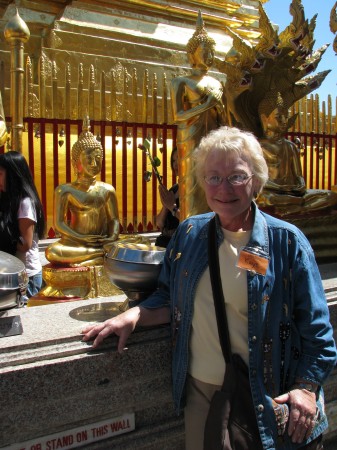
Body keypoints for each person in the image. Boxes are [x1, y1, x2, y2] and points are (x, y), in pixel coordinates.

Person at [82, 126, 337, 450]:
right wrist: (133, 316)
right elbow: (171, 296)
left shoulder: (286, 242)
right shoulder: (190, 234)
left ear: (257, 181)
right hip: (203, 396)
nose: (223, 187)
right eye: (213, 177)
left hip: (270, 400)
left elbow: (319, 332)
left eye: (237, 176)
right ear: (202, 182)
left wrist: (307, 388)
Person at [170, 10, 225, 219]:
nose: (209, 56)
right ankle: (191, 234)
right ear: (192, 54)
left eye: (212, 51)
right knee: (192, 190)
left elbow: (222, 121)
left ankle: (214, 233)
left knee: (214, 189)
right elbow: (179, 116)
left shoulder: (217, 83)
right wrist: (207, 104)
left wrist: (217, 107)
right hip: (191, 142)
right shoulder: (181, 82)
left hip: (213, 143)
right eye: (205, 51)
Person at [45, 118, 120, 266]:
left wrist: (112, 237)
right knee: (51, 251)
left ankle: (93, 257)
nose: (94, 164)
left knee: (138, 241)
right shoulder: (65, 190)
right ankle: (99, 256)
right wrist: (81, 238)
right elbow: (59, 224)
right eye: (89, 158)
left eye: (98, 159)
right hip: (76, 243)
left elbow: (114, 220)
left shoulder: (107, 189)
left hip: (102, 240)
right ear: (75, 162)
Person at [258, 93, 337, 216]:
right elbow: (257, 180)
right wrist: (281, 188)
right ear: (265, 119)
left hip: (294, 194)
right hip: (273, 194)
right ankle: (300, 205)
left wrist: (300, 186)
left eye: (286, 116)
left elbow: (298, 176)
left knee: (331, 196)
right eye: (279, 117)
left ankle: (296, 208)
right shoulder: (258, 146)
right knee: (266, 199)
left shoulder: (291, 146)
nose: (284, 121)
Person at [0, 150, 46, 297]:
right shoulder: (8, 201)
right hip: (11, 272)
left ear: (12, 176)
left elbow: (25, 245)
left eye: (0, 174)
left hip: (27, 276)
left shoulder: (25, 203)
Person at [155, 147, 180, 248]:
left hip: (179, 244)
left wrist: (173, 208)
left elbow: (193, 222)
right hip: (164, 243)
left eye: (179, 158)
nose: (175, 164)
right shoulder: (174, 188)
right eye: (173, 160)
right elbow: (160, 223)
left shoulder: (194, 190)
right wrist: (166, 205)